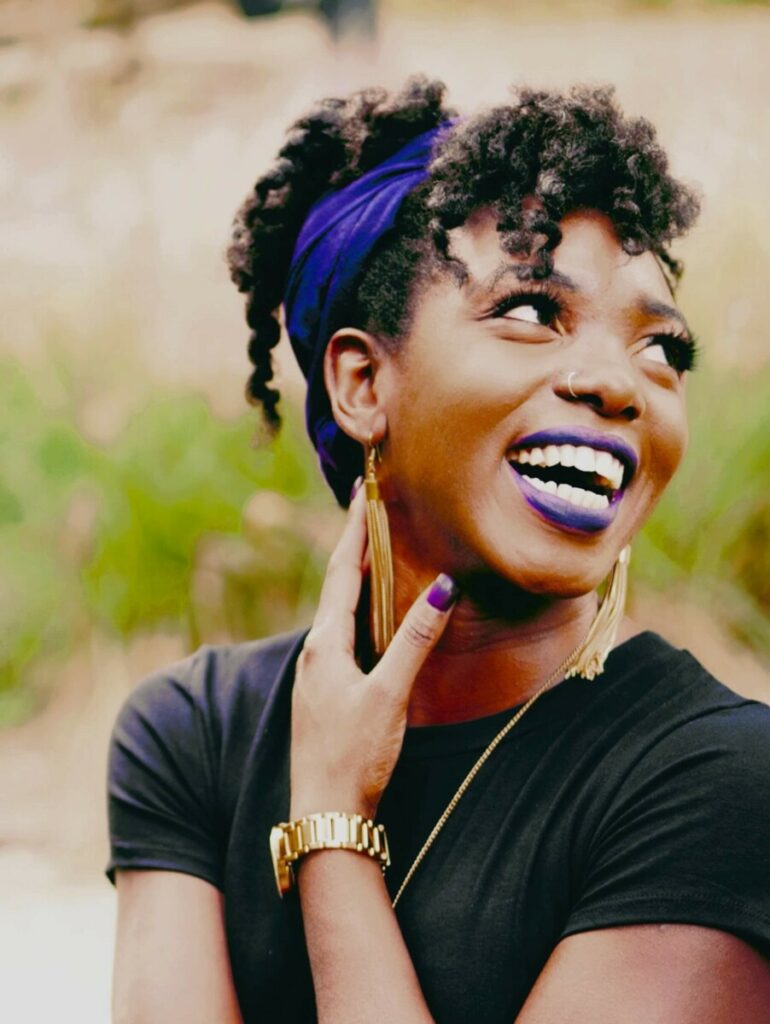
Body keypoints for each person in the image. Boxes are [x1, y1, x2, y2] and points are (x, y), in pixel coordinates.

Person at [107, 77, 770, 1023]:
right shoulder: (195, 736)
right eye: (533, 312)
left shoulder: (721, 785)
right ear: (364, 384)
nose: (621, 385)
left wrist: (333, 832)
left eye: (662, 348)